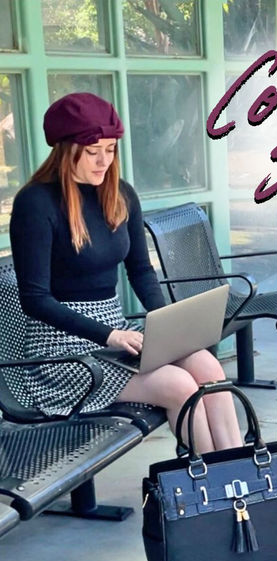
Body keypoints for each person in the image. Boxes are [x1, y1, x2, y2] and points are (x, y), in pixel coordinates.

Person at [9, 92, 242, 453]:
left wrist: (169, 322)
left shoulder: (120, 195)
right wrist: (109, 336)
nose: (105, 160)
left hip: (118, 335)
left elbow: (141, 272)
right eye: (93, 151)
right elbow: (35, 300)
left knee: (207, 366)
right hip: (63, 350)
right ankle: (212, 488)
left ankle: (237, 467)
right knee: (180, 385)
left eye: (111, 148)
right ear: (65, 148)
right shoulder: (36, 203)